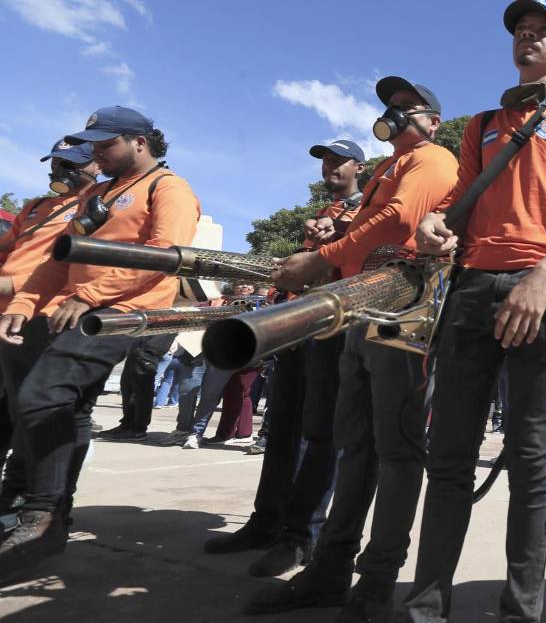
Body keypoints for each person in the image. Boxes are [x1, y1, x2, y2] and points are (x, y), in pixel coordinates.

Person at [404, 0, 546, 623]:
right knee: (448, 459)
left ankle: (519, 611)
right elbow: (460, 207)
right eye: (518, 29)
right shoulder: (482, 125)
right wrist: (434, 227)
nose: (527, 34)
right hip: (472, 290)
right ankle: (424, 608)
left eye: (541, 27)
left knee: (530, 462)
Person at [246, 77, 457, 621]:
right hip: (363, 309)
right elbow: (370, 226)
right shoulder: (389, 168)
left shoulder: (433, 158)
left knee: (395, 450)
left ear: (433, 121)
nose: (397, 113)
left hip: (401, 314)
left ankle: (374, 586)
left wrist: (322, 258)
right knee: (355, 446)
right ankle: (331, 571)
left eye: (410, 108)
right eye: (391, 107)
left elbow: (401, 220)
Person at [0, 106, 200, 577]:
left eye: (105, 144)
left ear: (139, 142)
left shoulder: (167, 188)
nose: (96, 153)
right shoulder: (101, 191)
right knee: (62, 408)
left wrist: (90, 294)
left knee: (41, 397)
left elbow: (162, 257)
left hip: (124, 313)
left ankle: (41, 515)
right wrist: (24, 305)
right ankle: (46, 518)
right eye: (93, 144)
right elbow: (58, 260)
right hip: (77, 307)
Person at [204, 138, 368, 578]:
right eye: (325, 161)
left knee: (319, 434)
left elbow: (364, 260)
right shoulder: (324, 212)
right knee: (281, 429)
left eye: (339, 160)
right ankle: (266, 522)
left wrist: (330, 246)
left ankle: (302, 536)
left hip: (333, 324)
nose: (330, 166)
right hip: (296, 324)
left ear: (360, 166)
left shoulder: (368, 207)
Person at [0, 139, 101, 516]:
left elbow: (66, 265)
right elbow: (10, 248)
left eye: (71, 164)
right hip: (10, 315)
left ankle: (32, 501)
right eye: (57, 163)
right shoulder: (36, 207)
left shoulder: (95, 206)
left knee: (37, 410)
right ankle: (14, 493)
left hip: (47, 315)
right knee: (12, 411)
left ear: (96, 165)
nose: (61, 171)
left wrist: (10, 285)